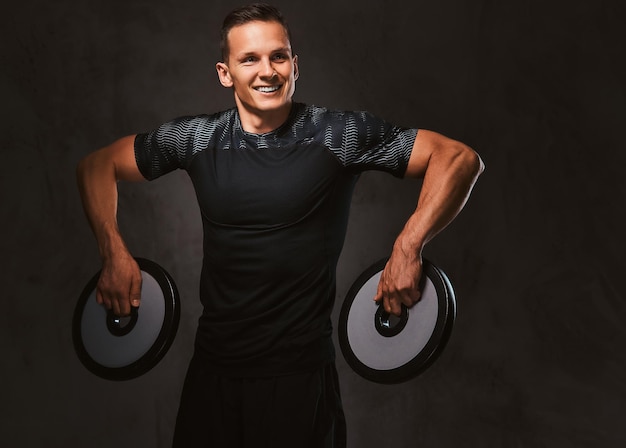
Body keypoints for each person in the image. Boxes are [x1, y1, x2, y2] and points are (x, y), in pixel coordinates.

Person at [76, 3, 483, 447]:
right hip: (212, 379)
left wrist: (408, 245)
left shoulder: (338, 134)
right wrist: (112, 251)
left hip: (299, 381)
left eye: (279, 56)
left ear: (295, 65)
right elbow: (97, 166)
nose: (267, 71)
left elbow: (458, 158)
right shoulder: (195, 138)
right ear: (225, 72)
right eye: (249, 59)